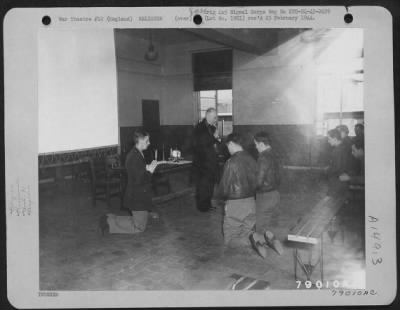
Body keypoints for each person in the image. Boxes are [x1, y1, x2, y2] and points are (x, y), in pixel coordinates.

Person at [99, 130, 158, 234]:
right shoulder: (135, 156)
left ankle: (109, 218)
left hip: (138, 195)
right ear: (140, 140)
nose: (149, 143)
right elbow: (140, 180)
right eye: (147, 141)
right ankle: (109, 223)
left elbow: (137, 171)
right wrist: (150, 172)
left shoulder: (136, 153)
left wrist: (146, 167)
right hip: (137, 196)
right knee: (139, 228)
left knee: (139, 223)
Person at [217, 133, 258, 250]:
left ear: (231, 144)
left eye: (228, 146)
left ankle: (252, 242)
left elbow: (224, 186)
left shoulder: (231, 162)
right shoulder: (252, 159)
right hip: (251, 201)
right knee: (246, 231)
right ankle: (255, 239)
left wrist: (222, 200)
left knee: (229, 239)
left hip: (235, 202)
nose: (228, 149)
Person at [253, 132, 284, 255]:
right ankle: (272, 242)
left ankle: (262, 251)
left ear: (261, 144)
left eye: (256, 144)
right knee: (266, 222)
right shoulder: (276, 154)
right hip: (275, 194)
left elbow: (259, 181)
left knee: (259, 227)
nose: (255, 147)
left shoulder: (263, 157)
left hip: (264, 196)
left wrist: (250, 189)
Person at [192, 107, 221, 212]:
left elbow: (214, 142)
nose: (216, 119)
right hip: (202, 162)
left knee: (210, 185)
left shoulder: (212, 127)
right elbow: (202, 144)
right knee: (203, 185)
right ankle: (202, 207)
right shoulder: (199, 128)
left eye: (216, 117)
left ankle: (208, 205)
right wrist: (214, 137)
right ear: (207, 116)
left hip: (211, 161)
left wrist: (217, 139)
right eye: (214, 117)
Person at [326, 128, 353, 196]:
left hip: (337, 182)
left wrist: (328, 170)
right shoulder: (343, 147)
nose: (328, 141)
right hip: (343, 182)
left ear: (335, 138)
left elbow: (337, 168)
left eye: (329, 139)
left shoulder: (337, 150)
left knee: (332, 200)